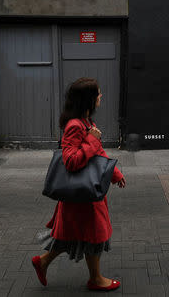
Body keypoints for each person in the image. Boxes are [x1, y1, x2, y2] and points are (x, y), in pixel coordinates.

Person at [31, 77, 126, 291]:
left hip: (86, 192)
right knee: (93, 235)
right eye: (98, 93)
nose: (101, 96)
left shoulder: (86, 122)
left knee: (75, 235)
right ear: (88, 99)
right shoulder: (75, 126)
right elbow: (71, 161)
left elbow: (98, 155)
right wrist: (92, 140)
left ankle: (43, 261)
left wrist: (115, 174)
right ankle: (96, 279)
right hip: (82, 194)